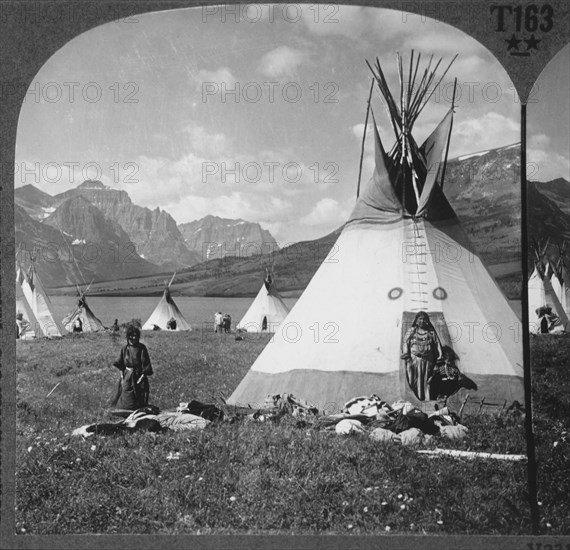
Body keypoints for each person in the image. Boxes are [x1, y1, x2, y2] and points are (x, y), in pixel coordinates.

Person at [401, 311, 443, 401]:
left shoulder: (431, 332)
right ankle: (417, 398)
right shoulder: (412, 331)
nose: (422, 321)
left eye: (424, 319)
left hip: (428, 359)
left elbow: (437, 344)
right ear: (416, 321)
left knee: (426, 380)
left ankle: (426, 400)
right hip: (415, 359)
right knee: (413, 380)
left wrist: (440, 356)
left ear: (427, 321)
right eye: (420, 319)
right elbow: (405, 343)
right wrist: (407, 357)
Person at [110, 326, 153, 411]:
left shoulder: (141, 348)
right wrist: (122, 377)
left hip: (139, 375)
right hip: (127, 376)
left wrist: (142, 377)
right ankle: (124, 412)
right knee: (126, 395)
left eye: (135, 336)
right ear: (128, 337)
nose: (133, 338)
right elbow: (120, 364)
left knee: (139, 396)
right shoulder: (124, 349)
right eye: (131, 336)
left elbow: (146, 363)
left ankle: (138, 413)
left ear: (138, 337)